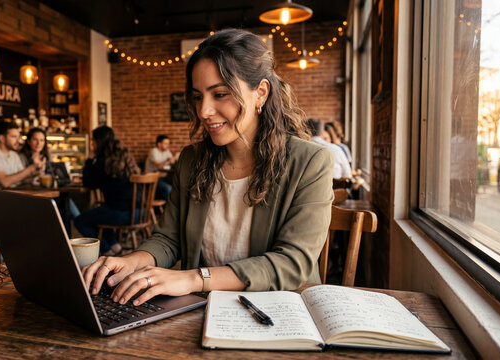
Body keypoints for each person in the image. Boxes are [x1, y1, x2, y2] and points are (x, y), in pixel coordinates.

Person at [82, 29, 334, 307]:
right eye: (198, 96)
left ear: (260, 93)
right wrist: (131, 261)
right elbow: (168, 238)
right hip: (203, 311)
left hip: (278, 313)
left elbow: (291, 263)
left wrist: (193, 278)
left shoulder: (311, 161)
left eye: (220, 94)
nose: (204, 111)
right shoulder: (192, 159)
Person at [74, 126, 141, 256]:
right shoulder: (124, 155)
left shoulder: (102, 161)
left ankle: (107, 251)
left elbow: (89, 183)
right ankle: (116, 248)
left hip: (122, 214)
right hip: (140, 212)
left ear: (98, 142)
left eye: (93, 140)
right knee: (102, 214)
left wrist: (89, 160)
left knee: (80, 221)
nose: (92, 143)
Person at [20, 127, 81, 219]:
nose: (38, 143)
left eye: (41, 140)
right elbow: (20, 179)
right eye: (35, 139)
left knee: (65, 201)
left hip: (48, 192)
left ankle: (77, 223)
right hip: (31, 195)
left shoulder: (46, 156)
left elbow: (52, 174)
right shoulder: (21, 157)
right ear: (28, 141)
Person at [0, 121, 43, 190]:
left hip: (5, 195)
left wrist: (35, 174)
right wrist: (31, 168)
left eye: (18, 137)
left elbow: (22, 179)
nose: (18, 140)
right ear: (2, 138)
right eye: (14, 137)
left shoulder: (14, 155)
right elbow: (5, 182)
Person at [144, 134, 179, 200]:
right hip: (151, 178)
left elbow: (172, 162)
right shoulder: (153, 151)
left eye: (168, 143)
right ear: (159, 144)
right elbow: (159, 165)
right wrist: (173, 158)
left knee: (178, 186)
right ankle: (163, 208)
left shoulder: (167, 151)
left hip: (162, 177)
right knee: (168, 188)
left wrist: (178, 158)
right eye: (165, 143)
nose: (167, 145)